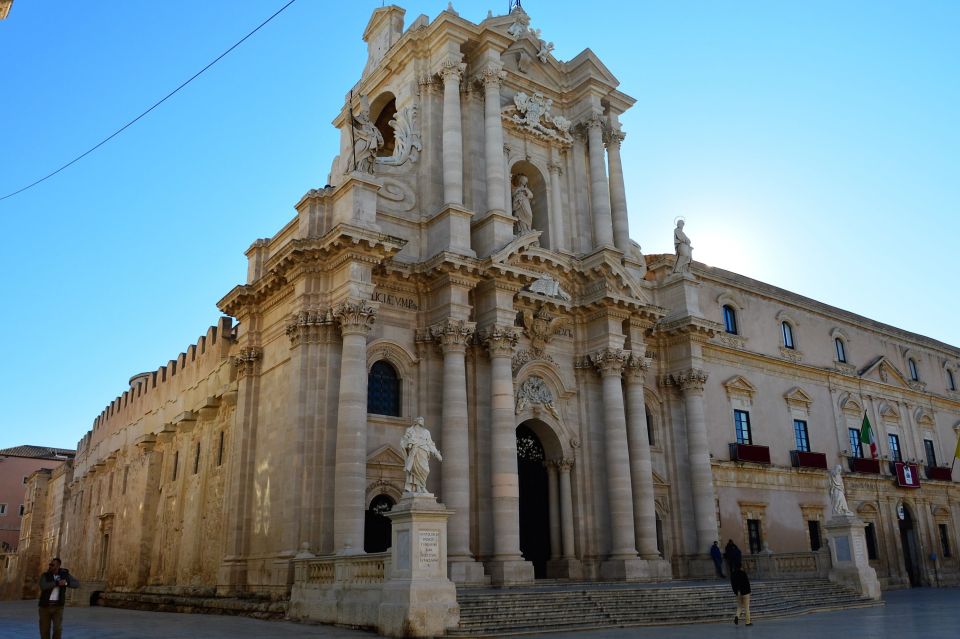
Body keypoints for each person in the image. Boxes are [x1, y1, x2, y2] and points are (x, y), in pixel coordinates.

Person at [38, 557, 80, 639]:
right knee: (44, 630)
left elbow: (77, 584)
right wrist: (57, 583)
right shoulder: (45, 575)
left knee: (58, 629)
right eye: (50, 564)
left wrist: (66, 583)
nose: (50, 566)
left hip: (58, 607)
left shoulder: (64, 574)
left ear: (58, 566)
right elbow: (43, 586)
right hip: (45, 607)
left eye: (52, 565)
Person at [401, 416, 442, 494]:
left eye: (423, 419)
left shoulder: (426, 432)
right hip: (415, 452)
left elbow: (430, 444)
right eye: (421, 419)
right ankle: (420, 488)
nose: (422, 421)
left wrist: (436, 454)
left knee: (426, 470)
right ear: (416, 421)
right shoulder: (410, 430)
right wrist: (409, 442)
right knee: (415, 470)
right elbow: (404, 441)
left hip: (424, 452)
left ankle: (422, 486)